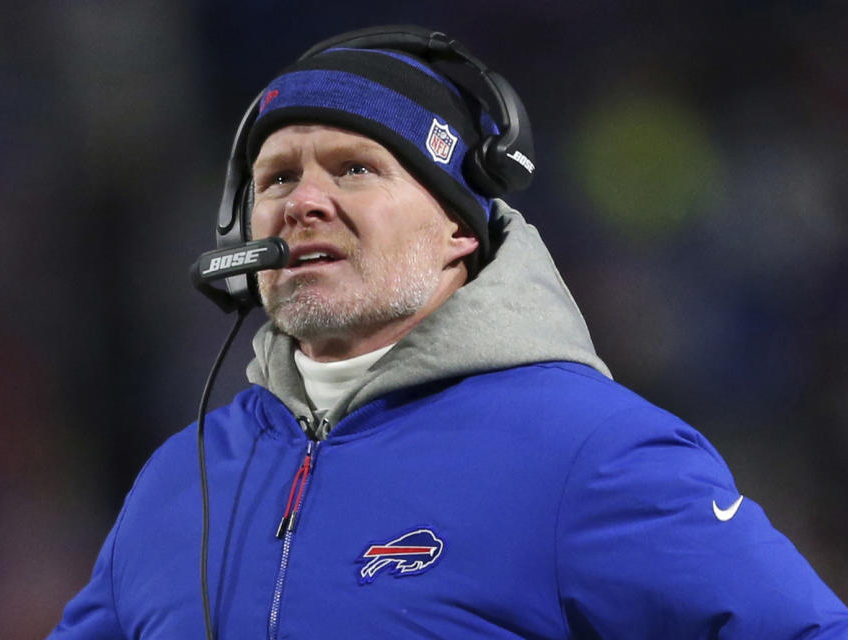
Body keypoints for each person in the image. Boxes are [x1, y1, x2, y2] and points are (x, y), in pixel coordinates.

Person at [47, 26, 848, 639]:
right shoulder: (179, 480)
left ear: (458, 230)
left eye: (354, 167)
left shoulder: (586, 452)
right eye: (277, 177)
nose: (303, 201)